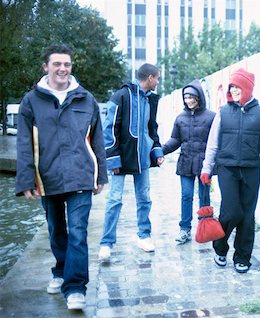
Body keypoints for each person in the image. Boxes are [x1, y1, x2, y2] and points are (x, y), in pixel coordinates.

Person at [15, 44, 108, 310]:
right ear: (46, 67)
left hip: (81, 175)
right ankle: (59, 270)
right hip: (48, 176)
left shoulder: (86, 99)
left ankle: (75, 287)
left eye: (67, 64)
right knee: (57, 230)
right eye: (57, 64)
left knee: (78, 232)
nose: (62, 69)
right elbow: (23, 143)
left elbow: (98, 139)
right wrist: (26, 180)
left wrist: (100, 174)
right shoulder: (31, 101)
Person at [200, 68, 260, 274]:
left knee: (247, 215)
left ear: (247, 88)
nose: (233, 90)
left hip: (252, 170)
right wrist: (206, 169)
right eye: (231, 87)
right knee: (231, 210)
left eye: (237, 87)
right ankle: (220, 247)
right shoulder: (223, 113)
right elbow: (212, 144)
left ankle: (243, 257)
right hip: (227, 169)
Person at [98, 63, 164, 261]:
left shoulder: (152, 100)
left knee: (145, 198)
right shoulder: (121, 96)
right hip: (121, 158)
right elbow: (109, 130)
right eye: (157, 78)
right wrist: (113, 160)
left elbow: (152, 129)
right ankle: (106, 243)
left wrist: (157, 152)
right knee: (114, 200)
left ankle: (144, 235)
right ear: (150, 78)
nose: (158, 82)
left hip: (142, 158)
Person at [162, 79, 215, 244]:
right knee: (186, 196)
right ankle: (185, 230)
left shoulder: (212, 117)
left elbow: (216, 143)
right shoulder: (180, 118)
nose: (189, 100)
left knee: (204, 196)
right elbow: (175, 140)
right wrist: (160, 151)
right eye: (186, 98)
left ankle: (204, 229)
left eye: (192, 97)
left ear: (199, 97)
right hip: (185, 162)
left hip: (204, 164)